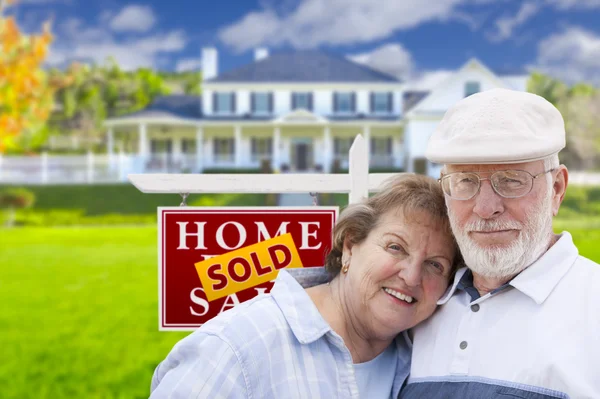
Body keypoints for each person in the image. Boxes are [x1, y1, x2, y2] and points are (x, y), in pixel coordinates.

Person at [150, 174, 461, 398]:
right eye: (396, 247)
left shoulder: (421, 363)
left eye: (435, 264)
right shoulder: (236, 349)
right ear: (350, 246)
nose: (411, 276)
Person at [399, 88, 600, 398]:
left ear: (556, 189)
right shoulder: (416, 305)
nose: (485, 207)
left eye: (511, 180)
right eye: (465, 181)